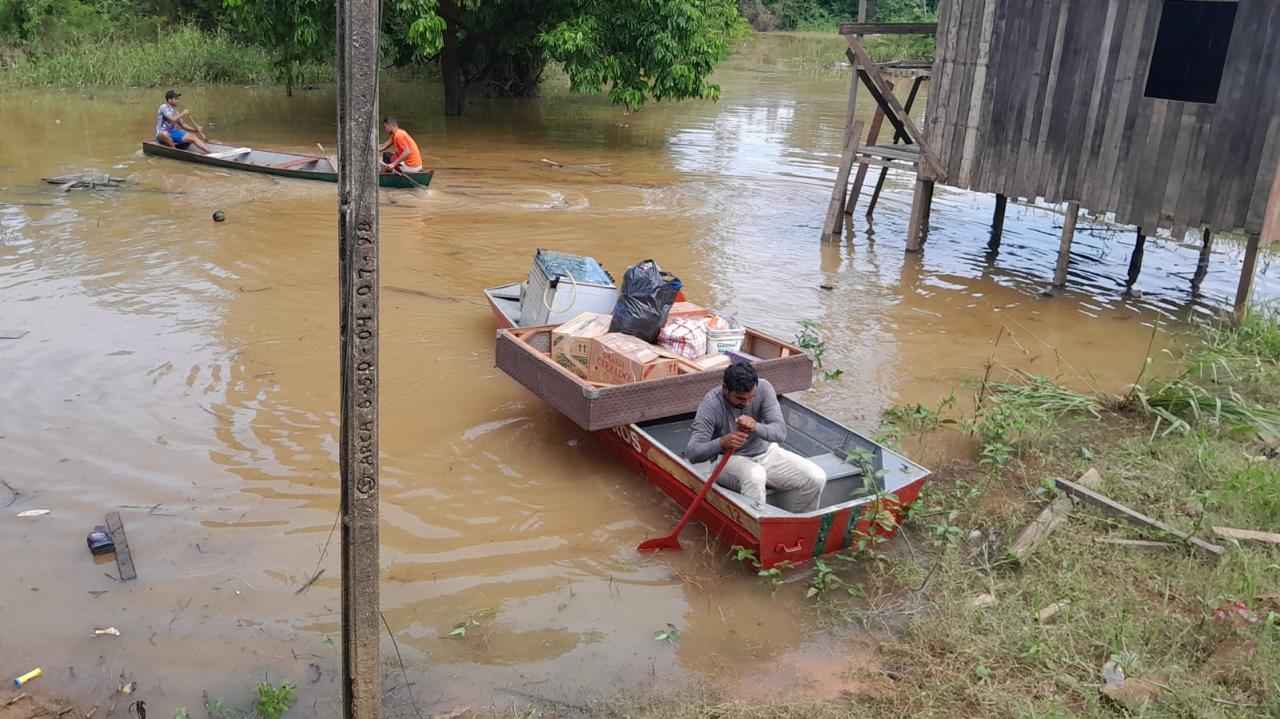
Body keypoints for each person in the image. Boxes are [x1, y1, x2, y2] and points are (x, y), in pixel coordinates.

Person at [686, 363, 827, 513]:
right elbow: (693, 453)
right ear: (725, 389)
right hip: (726, 460)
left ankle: (801, 527)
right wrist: (722, 443)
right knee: (756, 475)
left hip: (766, 453)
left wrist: (756, 427)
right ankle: (756, 531)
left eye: (751, 397)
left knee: (816, 478)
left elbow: (780, 433)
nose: (746, 403)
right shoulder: (710, 405)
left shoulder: (764, 388)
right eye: (740, 398)